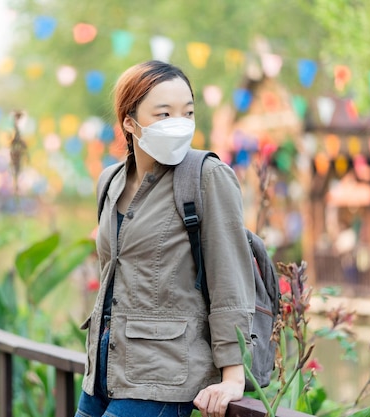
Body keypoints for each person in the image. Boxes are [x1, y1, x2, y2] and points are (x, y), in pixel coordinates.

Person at [75, 60, 256, 417]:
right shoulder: (109, 182)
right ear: (129, 122)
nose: (179, 123)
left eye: (187, 112)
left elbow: (230, 279)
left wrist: (234, 378)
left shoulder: (206, 176)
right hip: (102, 369)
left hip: (165, 374)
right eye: (164, 114)